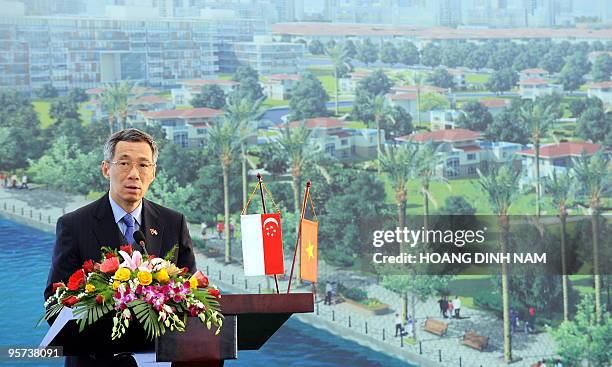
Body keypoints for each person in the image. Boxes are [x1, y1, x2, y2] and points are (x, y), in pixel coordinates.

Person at [44, 129, 197, 367]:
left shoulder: (173, 223)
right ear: (106, 169)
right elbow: (55, 302)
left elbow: (190, 294)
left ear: (153, 173)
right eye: (124, 163)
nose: (134, 174)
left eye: (144, 165)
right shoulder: (74, 225)